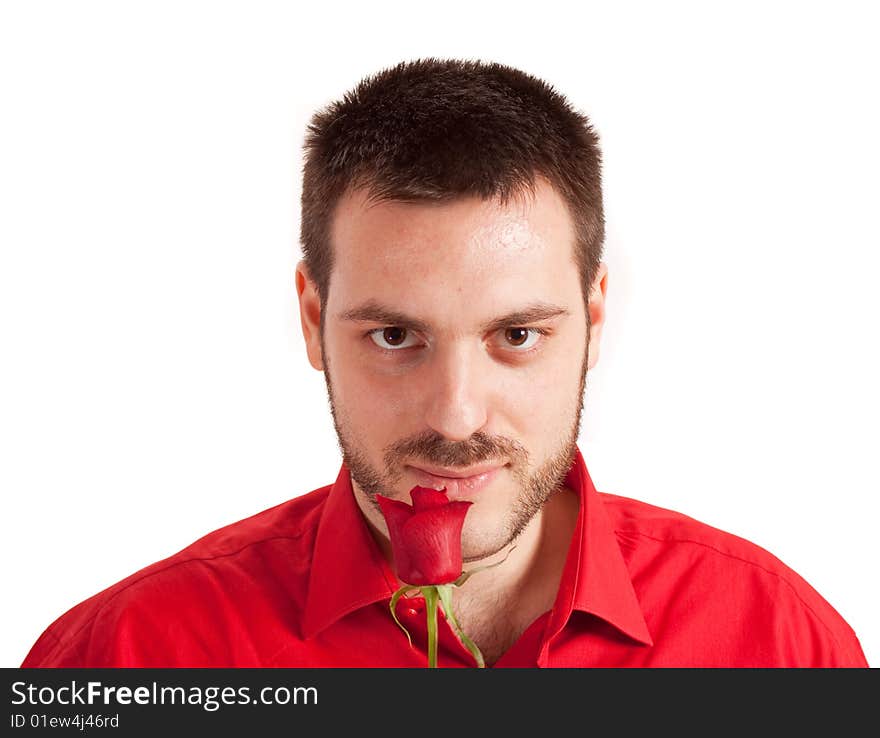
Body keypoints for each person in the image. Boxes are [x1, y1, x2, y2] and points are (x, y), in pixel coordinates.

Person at [22, 58, 867, 668]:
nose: (455, 417)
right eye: (395, 337)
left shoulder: (782, 645)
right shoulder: (122, 661)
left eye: (517, 337)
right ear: (313, 320)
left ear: (594, 318)